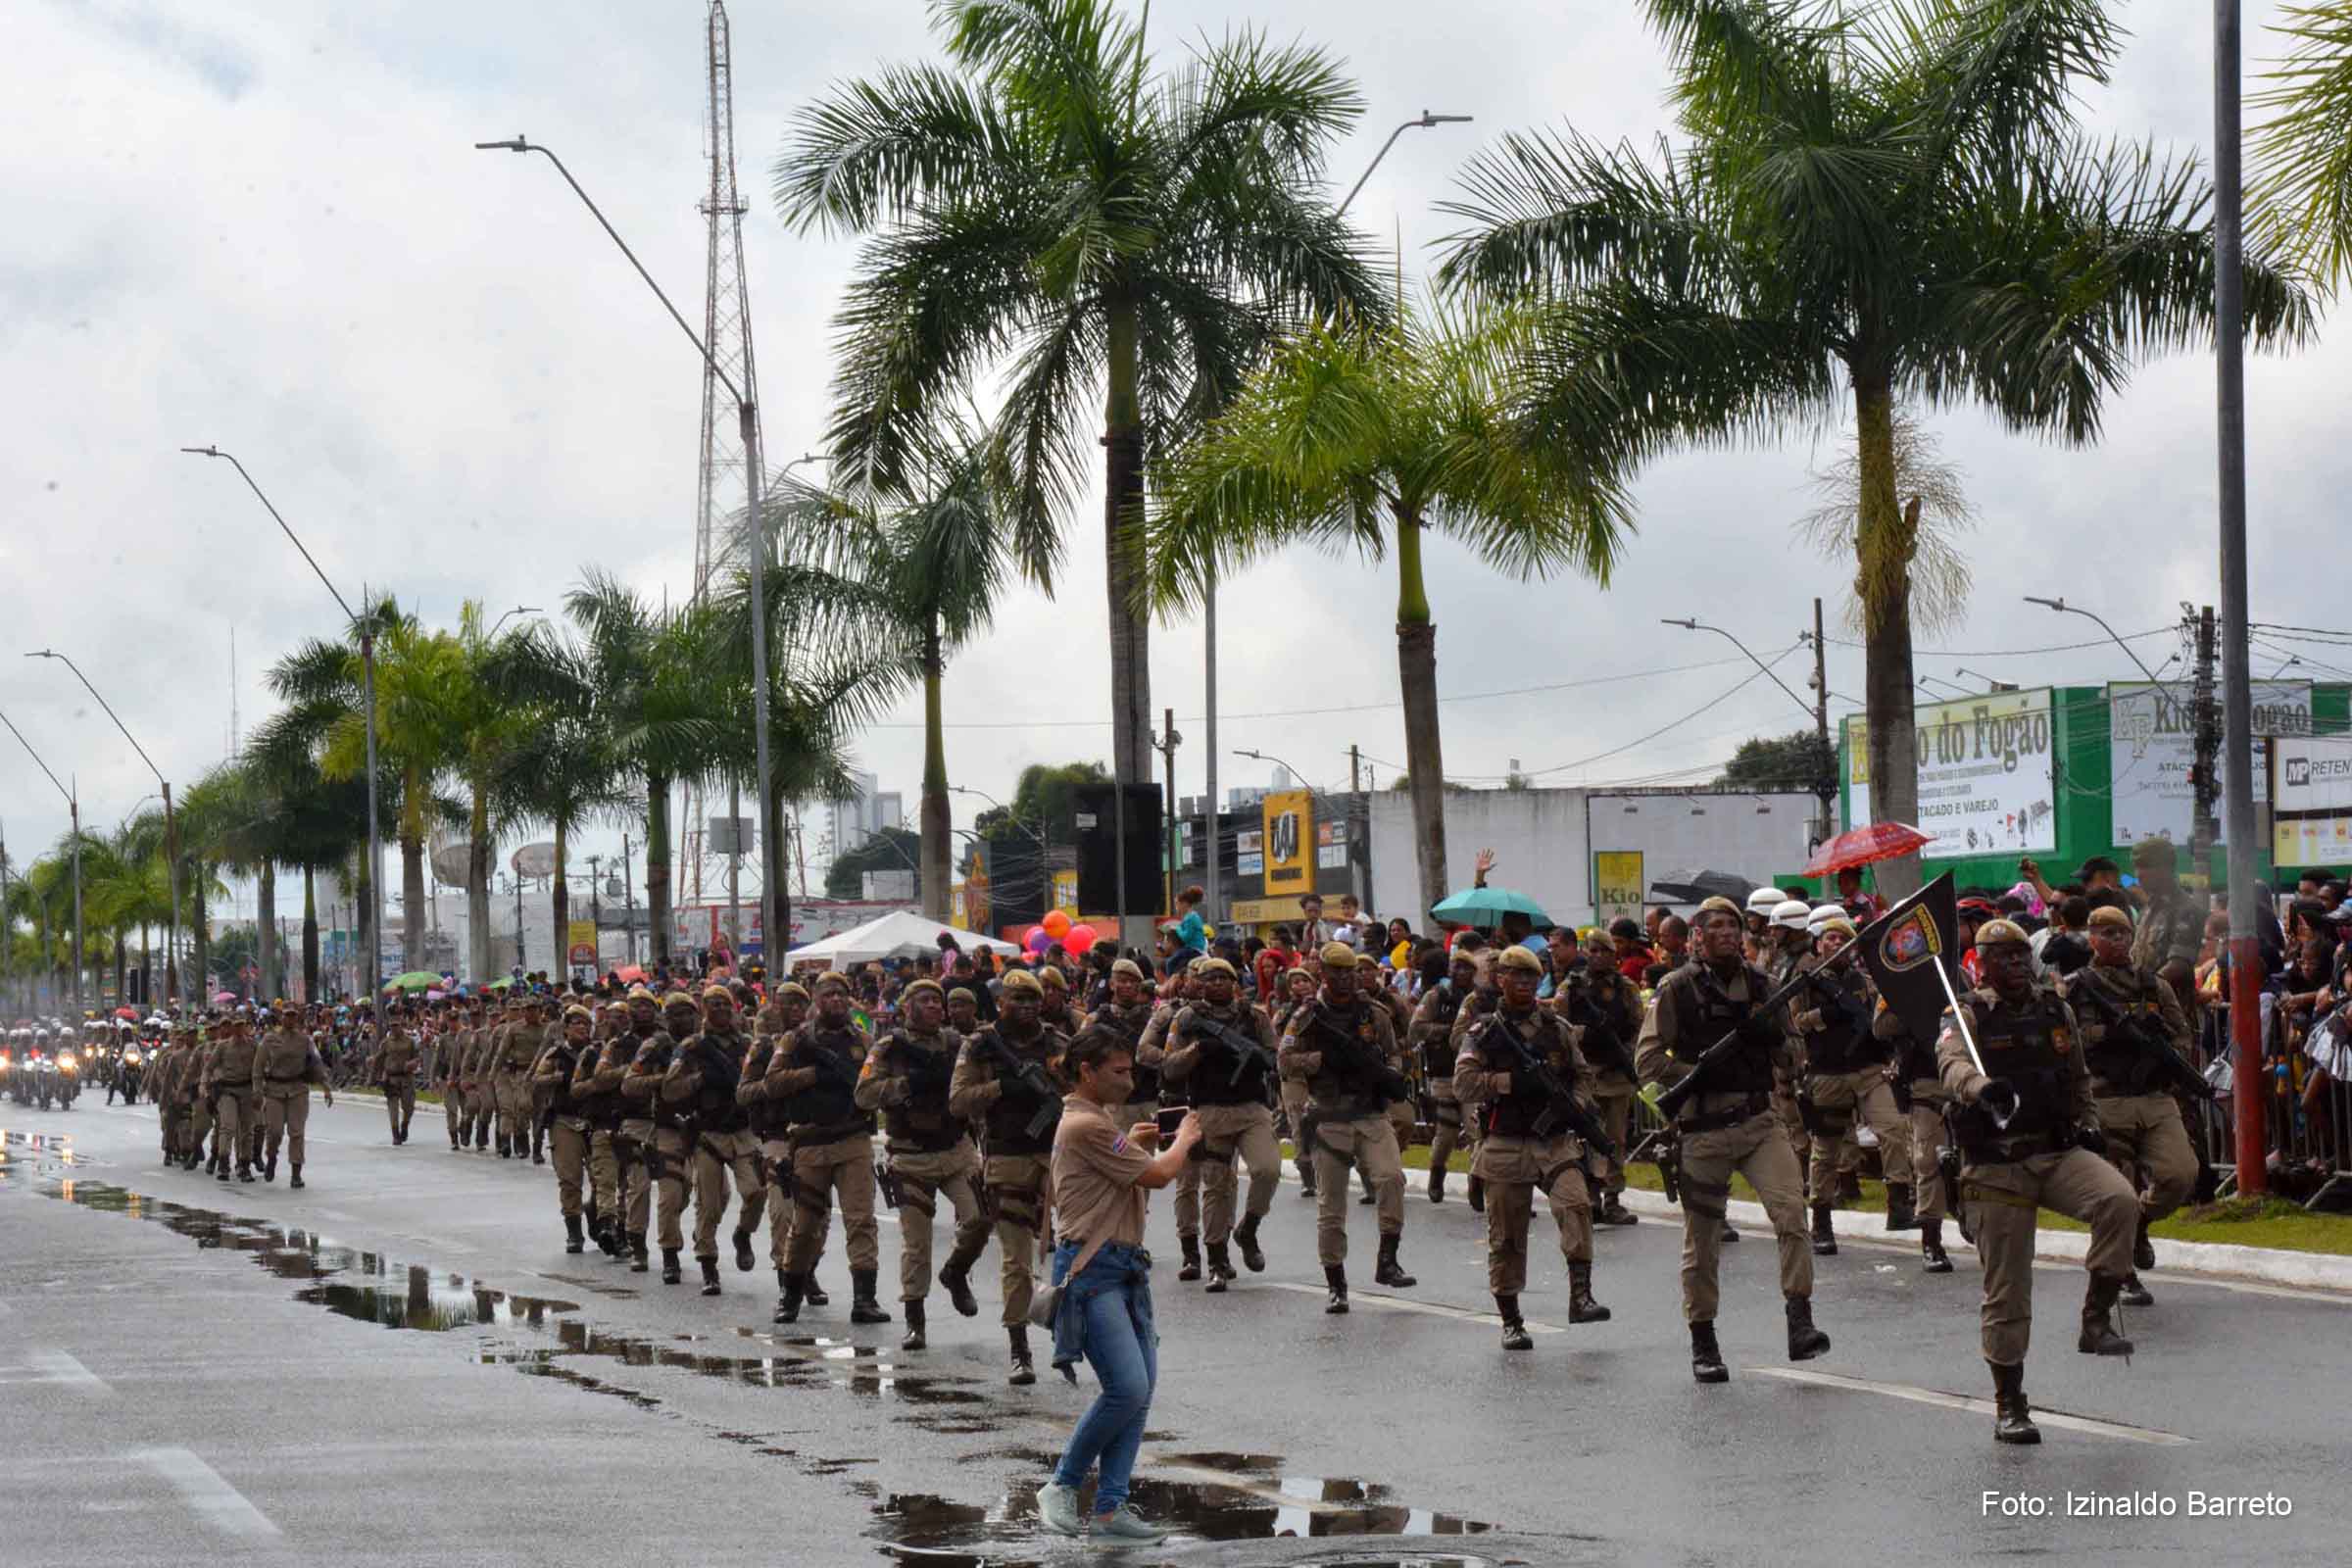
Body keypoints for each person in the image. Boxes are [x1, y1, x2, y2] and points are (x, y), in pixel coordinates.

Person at [1936, 918, 2140, 1445]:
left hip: (2056, 1151)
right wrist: (1982, 1088)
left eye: (2018, 955)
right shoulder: (1967, 1013)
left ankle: (2095, 1318)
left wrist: (2090, 1122)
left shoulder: (2057, 1009)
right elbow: (1951, 1066)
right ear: (1981, 963)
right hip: (1996, 1166)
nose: (2013, 964)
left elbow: (2077, 1076)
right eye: (2000, 956)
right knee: (2008, 1290)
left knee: (2119, 1199)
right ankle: (2010, 1401)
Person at [1637, 897, 1828, 1383]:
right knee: (1702, 1244)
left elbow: (1796, 1057)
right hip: (1703, 1130)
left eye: (1733, 925)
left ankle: (1800, 1320)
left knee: (1791, 1215)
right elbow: (1648, 1062)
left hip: (1759, 1123)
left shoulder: (1765, 987)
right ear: (1696, 936)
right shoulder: (1676, 989)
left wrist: (1772, 1039)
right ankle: (1703, 1339)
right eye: (1714, 925)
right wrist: (1698, 1072)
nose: (1725, 933)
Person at [1033, 1035, 1202, 1544]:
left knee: (1139, 1392)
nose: (1129, 1082)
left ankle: (1111, 1509)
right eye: (1118, 1071)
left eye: (1130, 1072)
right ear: (1086, 1071)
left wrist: (1133, 1141)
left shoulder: (1097, 1125)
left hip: (1123, 1267)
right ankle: (1061, 1484)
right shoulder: (1085, 1124)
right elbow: (1159, 1175)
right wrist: (1185, 1138)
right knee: (1126, 1388)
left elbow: (1117, 1174)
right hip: (1093, 1271)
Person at [1454, 944, 1611, 1348]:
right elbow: (1465, 1084)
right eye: (1515, 975)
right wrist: (1509, 1083)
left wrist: (1574, 1104)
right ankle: (1511, 1319)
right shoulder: (1484, 1032)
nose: (1524, 983)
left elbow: (1582, 1075)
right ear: (1500, 979)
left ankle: (1581, 1295)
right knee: (1506, 1236)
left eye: (1531, 976)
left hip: (1554, 1141)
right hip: (1504, 1141)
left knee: (1576, 1205)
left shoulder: (1555, 1028)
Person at [2062, 906, 2198, 1306]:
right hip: (2104, 1099)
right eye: (2107, 933)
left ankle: (2140, 1223)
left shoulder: (2154, 986)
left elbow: (2182, 1034)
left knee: (2180, 1175)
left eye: (2123, 933)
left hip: (2154, 1098)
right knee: (2114, 1194)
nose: (2117, 940)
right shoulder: (2078, 987)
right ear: (2092, 939)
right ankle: (2123, 1275)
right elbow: (2067, 1041)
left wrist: (2161, 1056)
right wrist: (2112, 1034)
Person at [1279, 943, 1416, 1312]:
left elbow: (1394, 1052)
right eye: (1335, 971)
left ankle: (1388, 1259)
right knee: (1331, 1204)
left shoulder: (1374, 1014)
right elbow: (1284, 1060)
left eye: (1349, 970)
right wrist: (1320, 1061)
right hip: (1329, 1115)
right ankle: (1336, 1282)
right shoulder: (1306, 1016)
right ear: (1322, 972)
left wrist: (1388, 1073)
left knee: (1391, 1179)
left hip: (1370, 1113)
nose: (1343, 977)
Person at [951, 967, 1069, 1384]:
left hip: (1056, 1157)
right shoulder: (981, 1046)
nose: (1025, 1006)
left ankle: (1072, 1339)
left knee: (1077, 1251)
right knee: (1016, 1260)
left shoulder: (1056, 1041)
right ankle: (1019, 1348)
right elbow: (959, 1101)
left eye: (1032, 999)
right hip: (1005, 1157)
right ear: (1000, 1003)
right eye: (1016, 999)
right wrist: (1000, 1089)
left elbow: (1087, 1089)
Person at [856, 979, 987, 1349]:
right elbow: (863, 1094)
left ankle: (956, 1272)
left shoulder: (956, 1044)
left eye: (938, 1001)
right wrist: (905, 1086)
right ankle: (915, 1320)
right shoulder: (888, 1047)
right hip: (910, 1155)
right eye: (925, 1000)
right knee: (917, 1243)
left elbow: (977, 1087)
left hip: (957, 1149)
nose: (934, 1006)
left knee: (980, 1217)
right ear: (907, 1006)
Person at [1786, 914, 1912, 1252]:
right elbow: (1795, 1024)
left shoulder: (1865, 981)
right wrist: (1827, 1016)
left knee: (1893, 1128)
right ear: (1818, 944)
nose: (1837, 944)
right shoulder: (1806, 983)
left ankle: (1899, 1202)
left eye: (1844, 940)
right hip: (1827, 1073)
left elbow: (1881, 1018)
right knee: (1826, 1150)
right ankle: (1822, 1221)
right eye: (1830, 939)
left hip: (1868, 1070)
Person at [765, 973, 886, 1324]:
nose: (836, 999)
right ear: (816, 1000)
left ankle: (865, 1299)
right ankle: (790, 1296)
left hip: (853, 1140)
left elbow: (875, 1084)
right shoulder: (796, 1040)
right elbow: (772, 1083)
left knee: (861, 1220)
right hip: (811, 1143)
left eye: (842, 993)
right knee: (804, 1225)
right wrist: (812, 1076)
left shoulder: (863, 1040)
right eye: (829, 993)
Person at [1158, 956, 1280, 1291]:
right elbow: (1169, 1066)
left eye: (1222, 978)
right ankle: (1216, 1260)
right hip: (1210, 1111)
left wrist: (1261, 1059)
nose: (1215, 984)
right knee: (1216, 1185)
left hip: (1252, 1107)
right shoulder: (1187, 1017)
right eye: (1208, 978)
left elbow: (1274, 1054)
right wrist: (1198, 1049)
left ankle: (1248, 1228)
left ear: (1234, 983)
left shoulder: (1254, 1016)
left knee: (1267, 1169)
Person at [665, 984, 766, 1297]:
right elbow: (670, 1088)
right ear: (704, 1011)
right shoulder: (693, 1047)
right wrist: (698, 1080)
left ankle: (742, 1234)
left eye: (726, 1004)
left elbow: (763, 1080)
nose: (721, 1010)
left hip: (741, 1131)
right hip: (708, 1133)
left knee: (756, 1192)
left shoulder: (748, 1044)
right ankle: (709, 1266)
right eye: (714, 1005)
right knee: (708, 1205)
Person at [1411, 949, 1479, 1204]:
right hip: (1445, 1073)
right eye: (1457, 967)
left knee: (1476, 1129)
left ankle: (1477, 1182)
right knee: (1447, 1133)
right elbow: (1416, 1029)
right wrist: (1447, 1031)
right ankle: (1437, 1172)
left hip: (1473, 1074)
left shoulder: (1478, 999)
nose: (1461, 972)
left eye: (1467, 968)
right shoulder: (1436, 996)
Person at [535, 1004, 598, 1252]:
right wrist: (556, 1078)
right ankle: (574, 1232)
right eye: (576, 1023)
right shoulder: (556, 1053)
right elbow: (537, 1079)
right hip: (565, 1121)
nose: (582, 1027)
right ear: (566, 1028)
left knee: (603, 1179)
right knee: (570, 1180)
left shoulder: (599, 1052)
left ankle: (597, 1213)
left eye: (586, 1023)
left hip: (595, 1121)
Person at [255, 1001, 333, 1188]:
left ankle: (296, 1173)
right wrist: (257, 1091)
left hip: (298, 1089)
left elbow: (316, 1063)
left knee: (296, 1132)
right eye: (287, 1015)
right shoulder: (269, 1039)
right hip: (274, 1090)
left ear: (297, 1018)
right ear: (282, 1017)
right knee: (274, 1132)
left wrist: (326, 1086)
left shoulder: (305, 1040)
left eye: (293, 1015)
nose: (290, 1019)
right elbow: (257, 1068)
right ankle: (271, 1158)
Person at [374, 1004, 421, 1145]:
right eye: (392, 1026)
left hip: (407, 1077)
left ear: (401, 1025)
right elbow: (378, 1059)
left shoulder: (410, 1042)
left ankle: (405, 1125)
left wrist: (413, 1063)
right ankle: (395, 1133)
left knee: (409, 1107)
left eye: (397, 1025)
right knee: (393, 1108)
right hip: (391, 1078)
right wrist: (375, 1077)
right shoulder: (386, 1043)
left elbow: (417, 1057)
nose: (394, 1028)